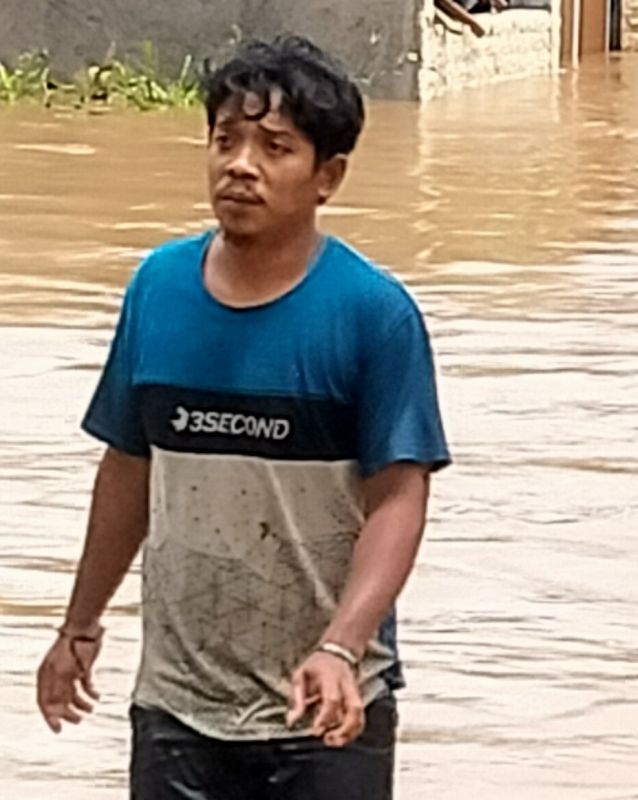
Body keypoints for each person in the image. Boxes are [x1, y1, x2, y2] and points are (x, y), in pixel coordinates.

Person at [35, 36, 450, 799]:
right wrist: (79, 627)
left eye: (275, 147)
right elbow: (128, 468)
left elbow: (399, 494)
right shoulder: (157, 290)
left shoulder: (373, 315)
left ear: (328, 177)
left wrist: (342, 646)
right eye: (225, 141)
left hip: (325, 708)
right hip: (176, 708)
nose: (241, 165)